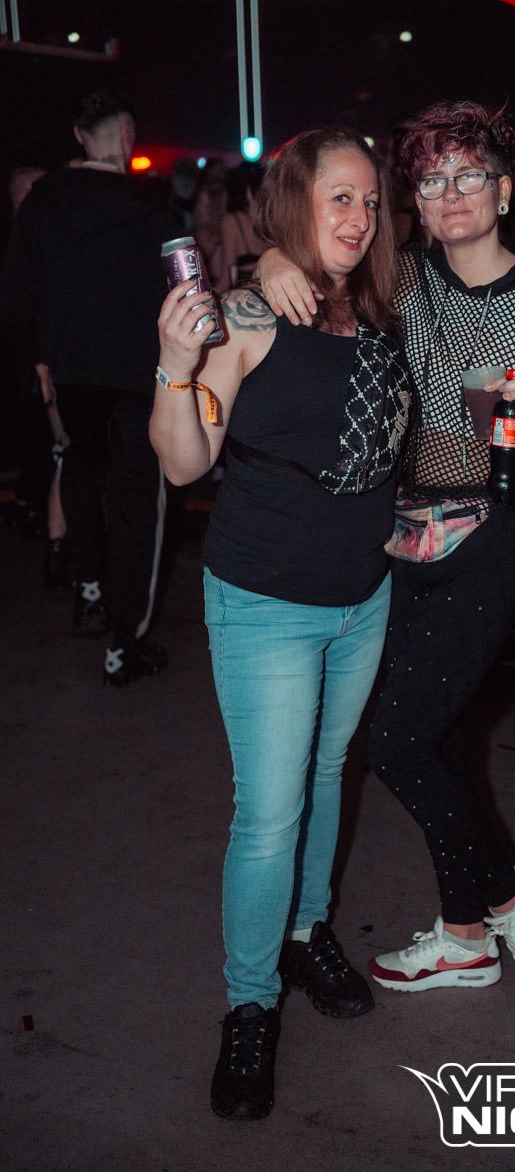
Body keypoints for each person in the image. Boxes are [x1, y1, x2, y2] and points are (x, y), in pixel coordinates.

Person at [258, 100, 515, 994]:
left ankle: (509, 893)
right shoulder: (405, 279)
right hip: (403, 533)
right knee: (441, 731)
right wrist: (271, 260)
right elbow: (321, 268)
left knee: (397, 740)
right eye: (429, 181)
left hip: (496, 530)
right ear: (414, 200)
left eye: (468, 177)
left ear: (503, 191)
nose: (449, 195)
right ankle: (464, 936)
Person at [149, 129, 411, 1120]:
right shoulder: (248, 316)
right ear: (295, 200)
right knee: (268, 815)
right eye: (338, 197)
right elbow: (183, 462)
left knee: (327, 776)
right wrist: (178, 361)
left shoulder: (381, 308)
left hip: (364, 595)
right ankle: (250, 1003)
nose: (358, 218)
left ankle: (306, 935)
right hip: (264, 603)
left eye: (369, 201)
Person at [0, 89, 176, 684]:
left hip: (73, 373)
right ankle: (125, 642)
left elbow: (15, 294)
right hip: (138, 376)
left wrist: (39, 357)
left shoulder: (44, 199)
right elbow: (185, 287)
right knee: (138, 497)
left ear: (79, 136)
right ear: (127, 135)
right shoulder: (149, 203)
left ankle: (89, 584)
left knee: (80, 466)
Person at [217, 161, 267, 291]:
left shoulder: (232, 222)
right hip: (269, 295)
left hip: (249, 297)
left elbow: (226, 278)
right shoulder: (274, 218)